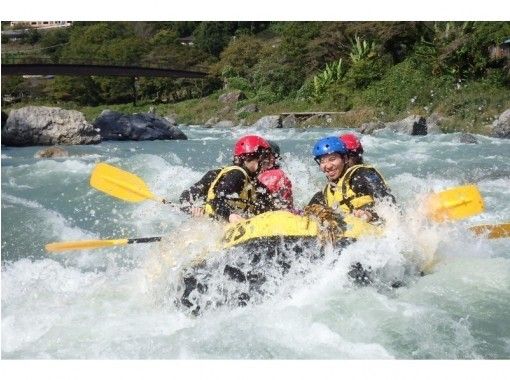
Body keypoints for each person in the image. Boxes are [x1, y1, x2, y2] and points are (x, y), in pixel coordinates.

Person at [179, 135, 276, 223]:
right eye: (263, 158)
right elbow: (216, 200)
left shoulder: (258, 186)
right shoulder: (236, 175)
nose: (266, 163)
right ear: (247, 158)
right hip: (211, 223)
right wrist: (192, 208)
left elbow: (269, 211)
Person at [307, 135, 395, 223]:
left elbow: (390, 207)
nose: (328, 166)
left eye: (333, 159)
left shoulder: (361, 176)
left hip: (374, 228)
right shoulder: (325, 193)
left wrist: (370, 215)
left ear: (345, 159)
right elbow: (305, 216)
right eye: (322, 161)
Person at [257, 140, 294, 210]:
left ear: (275, 158)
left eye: (266, 155)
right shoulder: (254, 172)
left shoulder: (276, 175)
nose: (262, 158)